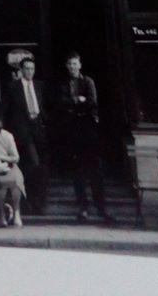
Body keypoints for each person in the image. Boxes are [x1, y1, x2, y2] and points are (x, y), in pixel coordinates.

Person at [57, 51, 115, 224]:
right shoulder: (64, 84)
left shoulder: (88, 81)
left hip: (88, 130)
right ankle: (83, 208)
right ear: (67, 67)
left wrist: (77, 103)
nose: (73, 67)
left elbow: (92, 102)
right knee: (78, 171)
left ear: (80, 65)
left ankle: (101, 206)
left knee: (95, 170)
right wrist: (77, 101)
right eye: (70, 64)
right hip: (73, 131)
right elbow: (61, 102)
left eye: (75, 64)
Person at [1, 55, 48, 214]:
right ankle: (31, 202)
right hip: (22, 131)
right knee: (34, 165)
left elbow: (44, 106)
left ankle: (37, 203)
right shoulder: (13, 87)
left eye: (32, 69)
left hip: (39, 131)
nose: (29, 72)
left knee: (40, 167)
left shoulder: (39, 85)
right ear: (21, 70)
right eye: (26, 69)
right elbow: (4, 110)